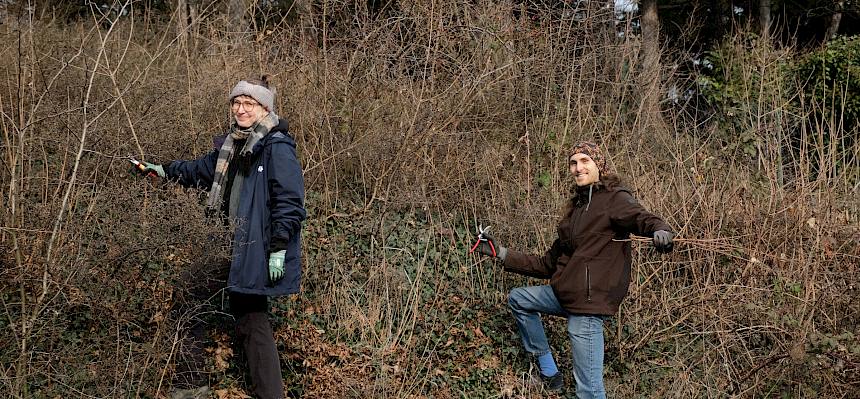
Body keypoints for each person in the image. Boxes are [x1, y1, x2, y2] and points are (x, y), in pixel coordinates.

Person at [136, 76, 306, 399]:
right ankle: (203, 386)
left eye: (248, 104)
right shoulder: (232, 145)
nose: (241, 109)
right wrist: (161, 169)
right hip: (227, 247)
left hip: (253, 252)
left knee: (215, 303)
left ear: (264, 108)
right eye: (236, 103)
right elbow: (198, 170)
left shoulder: (276, 146)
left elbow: (289, 201)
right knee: (241, 316)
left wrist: (279, 249)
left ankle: (190, 386)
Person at [473, 141, 674, 398]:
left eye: (585, 161)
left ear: (598, 165)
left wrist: (661, 231)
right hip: (566, 292)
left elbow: (642, 218)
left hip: (588, 304)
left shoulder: (614, 199)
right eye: (574, 162)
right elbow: (548, 264)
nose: (578, 168)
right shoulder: (575, 211)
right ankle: (549, 372)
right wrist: (501, 254)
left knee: (588, 391)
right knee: (519, 299)